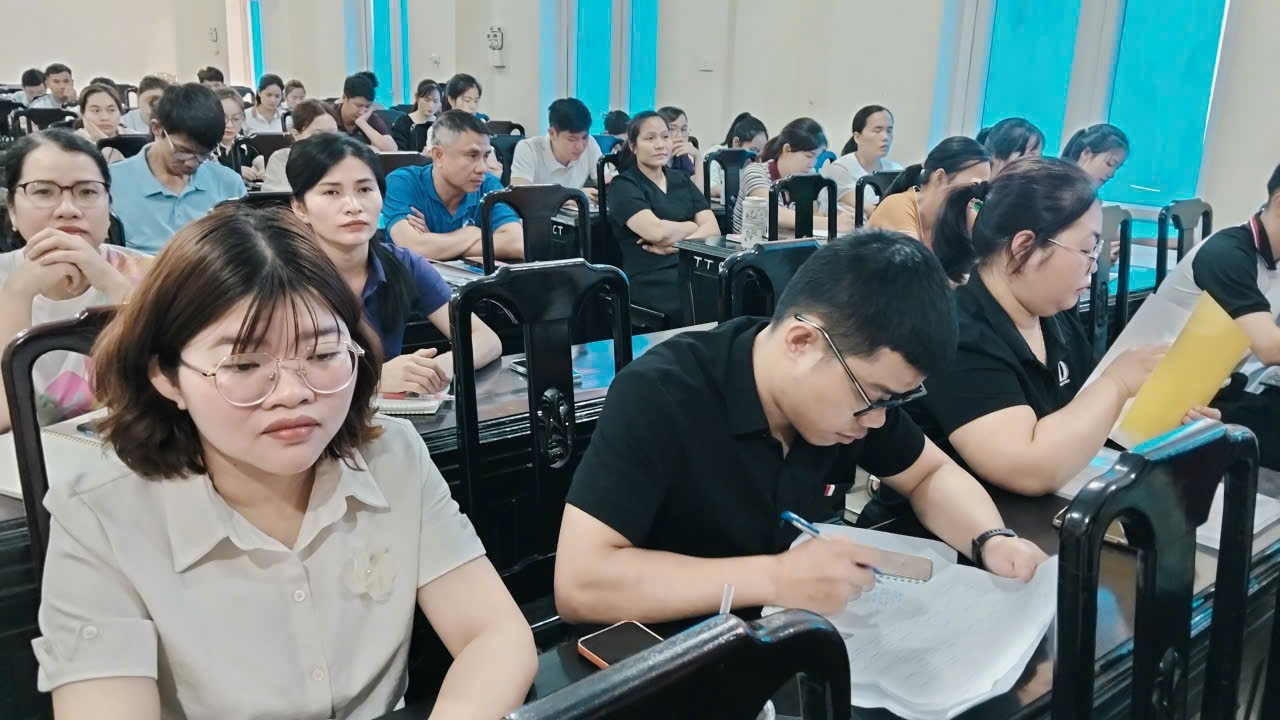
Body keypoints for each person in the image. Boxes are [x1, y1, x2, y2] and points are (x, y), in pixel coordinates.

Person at [32, 203, 537, 719]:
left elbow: (494, 635)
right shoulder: (101, 515)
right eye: (243, 364)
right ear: (166, 375)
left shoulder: (391, 456)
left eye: (321, 355)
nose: (293, 392)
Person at [554, 231, 1049, 626]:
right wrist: (773, 577)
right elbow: (580, 583)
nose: (877, 420)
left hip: (799, 636)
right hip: (676, 647)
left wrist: (991, 539)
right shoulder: (661, 393)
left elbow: (930, 474)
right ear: (801, 342)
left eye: (893, 402)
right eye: (872, 397)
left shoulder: (856, 392)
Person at [856, 160, 1177, 534]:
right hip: (943, 540)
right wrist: (1116, 384)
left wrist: (1166, 416)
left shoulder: (1054, 316)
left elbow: (1084, 414)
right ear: (1025, 247)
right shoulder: (959, 331)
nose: (1094, 266)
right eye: (1087, 249)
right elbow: (1027, 466)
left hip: (1027, 526)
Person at [287, 133, 501, 393]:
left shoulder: (403, 264)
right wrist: (374, 380)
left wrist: (432, 370)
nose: (353, 206)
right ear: (300, 208)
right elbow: (276, 375)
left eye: (365, 190)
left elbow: (486, 340)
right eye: (332, 192)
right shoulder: (281, 273)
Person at [1102, 164, 1280, 469]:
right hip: (1145, 410)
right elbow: (1270, 348)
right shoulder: (1228, 253)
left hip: (1209, 392)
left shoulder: (1270, 256)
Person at [0, 130, 149, 432]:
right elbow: (4, 420)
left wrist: (112, 284)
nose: (68, 209)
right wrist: (17, 293)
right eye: (44, 192)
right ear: (12, 210)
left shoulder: (153, 274)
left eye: (87, 192)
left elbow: (164, 395)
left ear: (109, 205)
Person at [606, 111, 719, 319]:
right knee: (699, 299)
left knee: (731, 288)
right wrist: (692, 227)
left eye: (665, 137)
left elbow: (713, 229)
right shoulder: (623, 185)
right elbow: (657, 233)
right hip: (650, 276)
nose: (660, 145)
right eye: (650, 138)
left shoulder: (681, 179)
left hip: (689, 267)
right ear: (633, 146)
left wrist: (674, 246)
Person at [109, 83, 246, 254]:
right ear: (157, 128)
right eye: (183, 151)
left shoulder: (228, 184)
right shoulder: (113, 182)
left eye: (204, 154)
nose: (192, 163)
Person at [383, 110, 522, 261]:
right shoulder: (402, 182)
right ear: (439, 156)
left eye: (485, 156)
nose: (483, 168)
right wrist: (471, 233)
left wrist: (434, 243)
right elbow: (413, 248)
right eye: (472, 155)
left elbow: (516, 242)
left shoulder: (487, 183)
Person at [868, 136, 991, 258]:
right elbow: (913, 266)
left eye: (983, 188)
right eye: (972, 186)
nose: (976, 197)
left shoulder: (955, 221)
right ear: (940, 177)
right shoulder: (897, 207)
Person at [731, 117, 852, 237]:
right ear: (787, 149)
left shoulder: (805, 178)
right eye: (809, 156)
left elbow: (815, 215)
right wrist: (831, 223)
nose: (812, 164)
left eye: (816, 157)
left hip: (789, 244)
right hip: (748, 246)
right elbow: (775, 214)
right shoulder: (756, 172)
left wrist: (838, 216)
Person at [509, 97, 606, 201]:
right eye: (572, 139)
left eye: (584, 137)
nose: (580, 146)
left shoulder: (590, 144)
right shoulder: (528, 149)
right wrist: (572, 197)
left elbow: (607, 181)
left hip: (574, 211)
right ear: (552, 133)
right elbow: (520, 197)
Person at [821, 105, 902, 216]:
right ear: (857, 137)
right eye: (877, 130)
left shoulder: (896, 170)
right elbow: (871, 211)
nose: (885, 137)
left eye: (889, 131)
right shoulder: (841, 169)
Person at [260, 100, 340, 193]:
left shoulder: (345, 158)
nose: (326, 140)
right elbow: (281, 198)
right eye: (317, 135)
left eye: (332, 134)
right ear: (296, 134)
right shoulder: (282, 159)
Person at [703, 112, 768, 200]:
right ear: (736, 143)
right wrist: (750, 191)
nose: (757, 157)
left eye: (760, 152)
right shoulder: (715, 155)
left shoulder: (757, 162)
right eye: (753, 150)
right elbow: (711, 188)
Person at [213, 87, 263, 185]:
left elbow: (259, 160)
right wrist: (235, 171)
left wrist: (264, 169)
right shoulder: (204, 148)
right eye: (223, 118)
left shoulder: (244, 144)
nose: (229, 125)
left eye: (236, 119)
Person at [335, 73, 396, 152]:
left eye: (367, 106)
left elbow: (391, 149)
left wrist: (362, 123)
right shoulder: (328, 115)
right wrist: (368, 148)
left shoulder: (370, 118)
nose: (362, 112)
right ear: (344, 98)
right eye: (358, 106)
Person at [1062, 123, 1129, 188]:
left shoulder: (1084, 193)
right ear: (1086, 153)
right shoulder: (1058, 188)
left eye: (1117, 168)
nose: (1112, 174)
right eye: (1110, 163)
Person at [73, 84, 126, 163]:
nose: (105, 117)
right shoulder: (72, 143)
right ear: (82, 113)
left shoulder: (137, 138)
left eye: (111, 110)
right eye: (96, 111)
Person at [656, 106, 703, 191]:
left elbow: (698, 193)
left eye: (683, 129)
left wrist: (698, 157)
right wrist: (667, 155)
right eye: (672, 129)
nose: (680, 136)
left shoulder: (681, 156)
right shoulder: (653, 158)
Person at [390, 78, 441, 151]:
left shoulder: (442, 123)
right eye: (427, 100)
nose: (431, 105)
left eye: (435, 101)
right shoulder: (403, 123)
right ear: (417, 98)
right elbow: (400, 153)